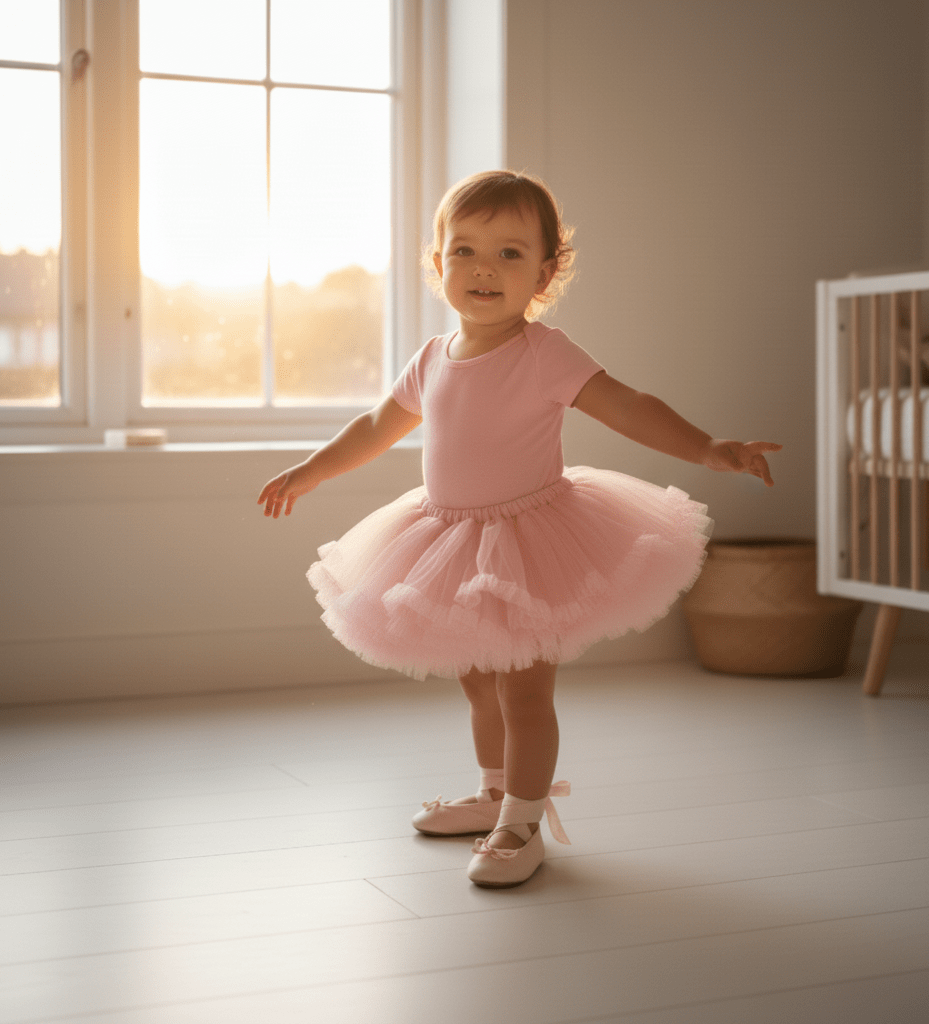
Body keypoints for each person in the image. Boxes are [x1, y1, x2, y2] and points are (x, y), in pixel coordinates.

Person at [258, 170, 780, 888]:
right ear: (437, 262)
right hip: (449, 541)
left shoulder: (544, 353)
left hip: (529, 540)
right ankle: (496, 792)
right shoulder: (432, 358)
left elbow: (628, 405)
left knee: (524, 692)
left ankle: (525, 820)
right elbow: (377, 425)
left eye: (509, 253)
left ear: (545, 270)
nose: (483, 268)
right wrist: (313, 470)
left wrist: (707, 447)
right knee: (477, 684)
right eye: (464, 249)